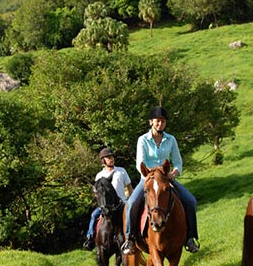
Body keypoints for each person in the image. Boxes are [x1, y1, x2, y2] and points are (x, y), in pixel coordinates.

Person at [121, 106, 200, 255]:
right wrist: (154, 173)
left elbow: (177, 162)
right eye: (157, 121)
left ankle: (190, 238)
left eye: (163, 122)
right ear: (151, 122)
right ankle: (130, 239)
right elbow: (140, 163)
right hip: (148, 179)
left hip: (165, 179)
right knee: (131, 203)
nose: (160, 124)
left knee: (190, 201)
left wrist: (174, 173)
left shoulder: (171, 140)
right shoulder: (142, 140)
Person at [83, 147, 133, 250]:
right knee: (93, 215)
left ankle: (132, 238)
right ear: (103, 160)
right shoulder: (99, 175)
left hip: (121, 204)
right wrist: (102, 203)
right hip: (106, 206)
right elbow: (96, 193)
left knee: (130, 216)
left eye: (112, 157)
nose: (111, 159)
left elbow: (129, 188)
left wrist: (129, 200)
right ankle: (90, 238)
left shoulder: (121, 171)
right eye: (108, 158)